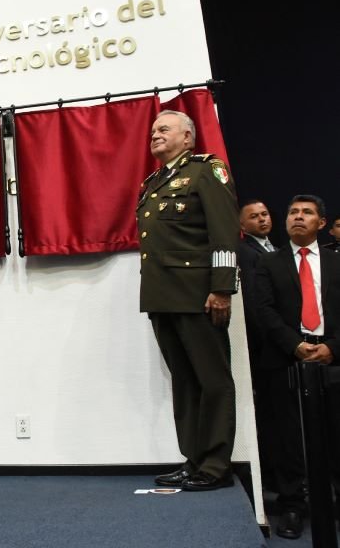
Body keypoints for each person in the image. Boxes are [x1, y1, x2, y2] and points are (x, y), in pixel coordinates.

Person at [136, 110, 239, 491]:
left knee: (212, 381)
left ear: (188, 138)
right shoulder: (153, 183)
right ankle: (194, 459)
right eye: (153, 131)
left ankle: (215, 466)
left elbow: (224, 233)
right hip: (162, 296)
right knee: (184, 382)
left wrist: (222, 288)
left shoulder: (206, 171)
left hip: (199, 296)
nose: (155, 135)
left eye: (164, 129)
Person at [255, 194, 340, 539]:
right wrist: (294, 345)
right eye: (293, 212)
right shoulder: (268, 262)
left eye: (307, 212)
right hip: (285, 358)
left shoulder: (336, 261)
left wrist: (332, 348)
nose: (298, 217)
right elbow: (263, 310)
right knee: (287, 437)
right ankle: (292, 504)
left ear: (322, 222)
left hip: (333, 357)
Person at [236, 200, 278, 487]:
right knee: (269, 410)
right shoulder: (246, 252)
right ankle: (272, 474)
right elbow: (253, 301)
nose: (262, 219)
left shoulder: (275, 248)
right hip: (264, 343)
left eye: (264, 214)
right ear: (242, 225)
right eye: (254, 216)